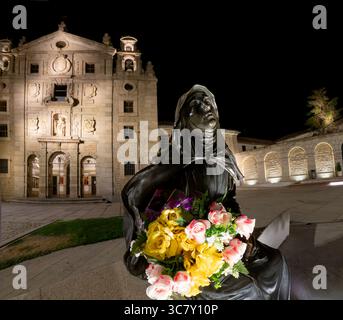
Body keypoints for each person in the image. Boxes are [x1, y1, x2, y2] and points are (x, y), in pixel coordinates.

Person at [122, 85, 290, 299]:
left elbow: (230, 199)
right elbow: (156, 207)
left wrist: (237, 230)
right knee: (245, 289)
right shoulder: (174, 159)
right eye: (196, 106)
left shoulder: (224, 157)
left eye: (208, 103)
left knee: (275, 261)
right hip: (191, 253)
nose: (206, 107)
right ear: (184, 120)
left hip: (222, 239)